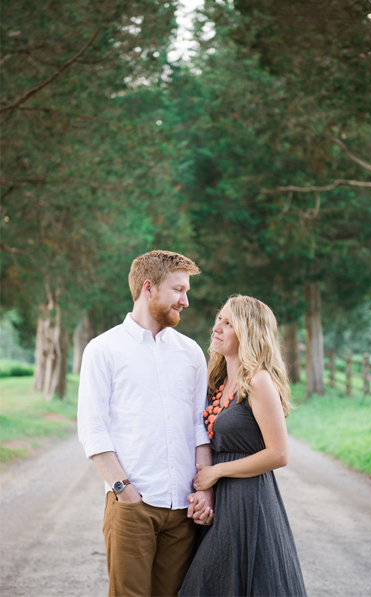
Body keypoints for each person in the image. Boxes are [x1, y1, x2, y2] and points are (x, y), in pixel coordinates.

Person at [77, 250, 214, 597]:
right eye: (178, 290)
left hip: (183, 510)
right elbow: (92, 430)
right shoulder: (103, 349)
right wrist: (125, 493)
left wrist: (205, 491)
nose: (185, 301)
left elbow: (199, 427)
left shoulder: (190, 352)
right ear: (149, 288)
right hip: (132, 505)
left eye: (186, 292)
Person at [179, 295, 307, 597]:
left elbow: (279, 453)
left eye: (228, 323)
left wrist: (216, 471)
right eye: (218, 320)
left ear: (249, 332)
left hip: (249, 500)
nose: (216, 328)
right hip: (222, 498)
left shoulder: (258, 381)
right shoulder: (218, 381)